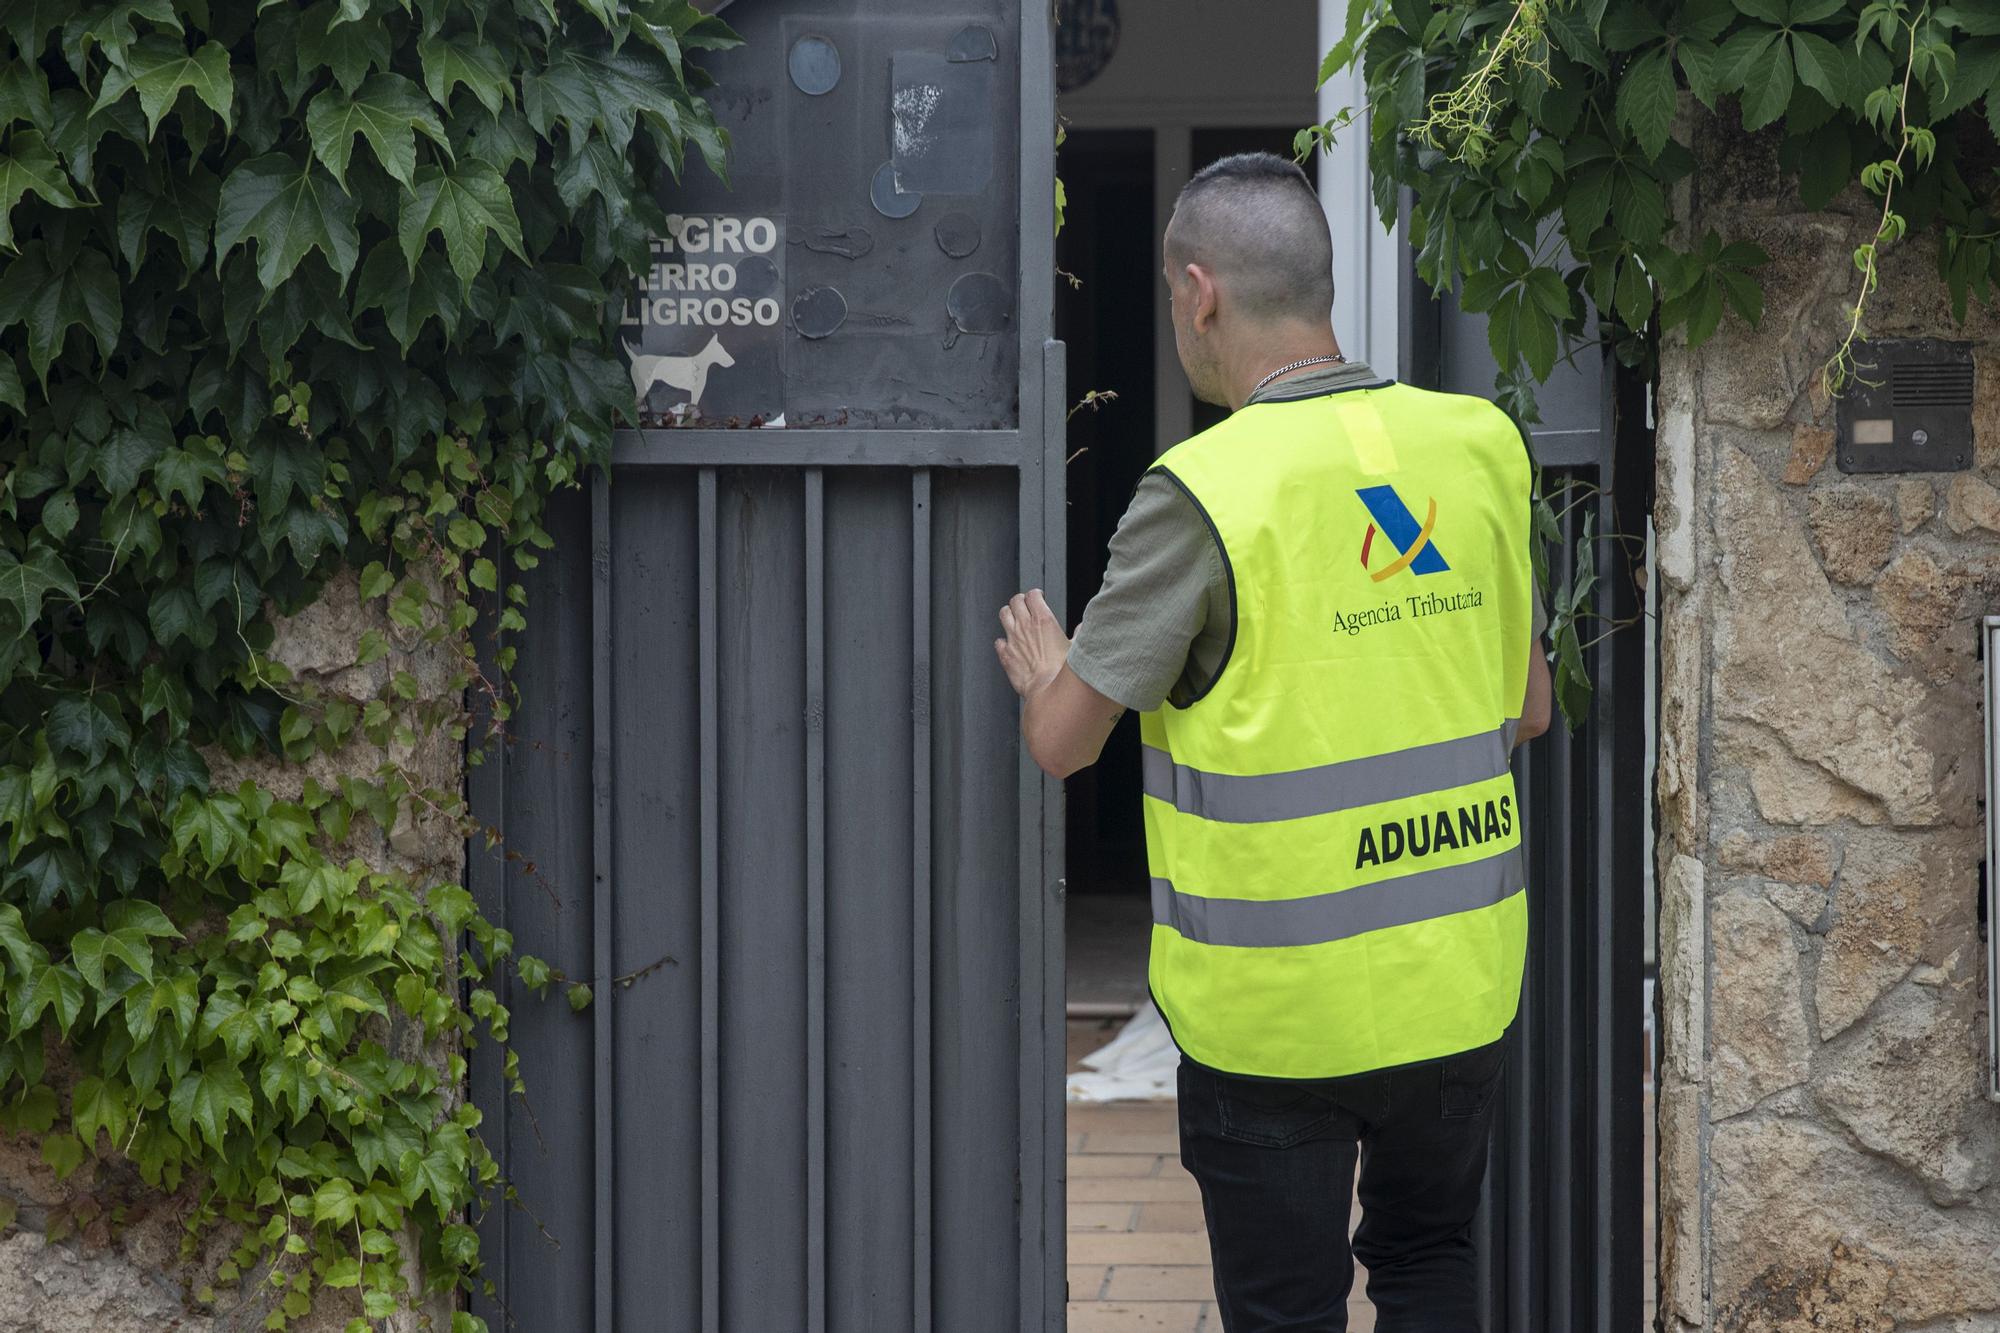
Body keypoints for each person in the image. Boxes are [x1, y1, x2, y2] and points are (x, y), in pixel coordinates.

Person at [993, 152, 1552, 1333]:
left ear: (1198, 293)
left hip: (1273, 1021)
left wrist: (1049, 674)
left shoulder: (1201, 488)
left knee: (1284, 1309)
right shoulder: (1478, 447)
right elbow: (1530, 707)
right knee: (1426, 1261)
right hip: (1455, 988)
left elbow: (1061, 743)